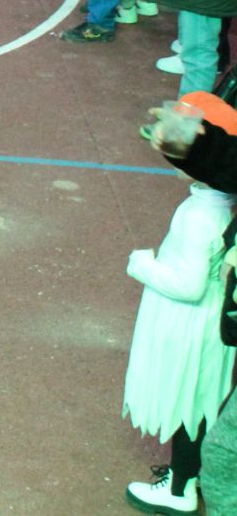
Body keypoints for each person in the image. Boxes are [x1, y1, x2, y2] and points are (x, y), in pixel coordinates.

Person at [120, 172, 237, 516]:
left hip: (189, 325)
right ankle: (192, 474)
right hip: (210, 320)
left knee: (188, 399)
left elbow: (189, 286)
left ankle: (179, 487)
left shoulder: (199, 215)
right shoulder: (221, 207)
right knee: (202, 399)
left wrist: (143, 265)